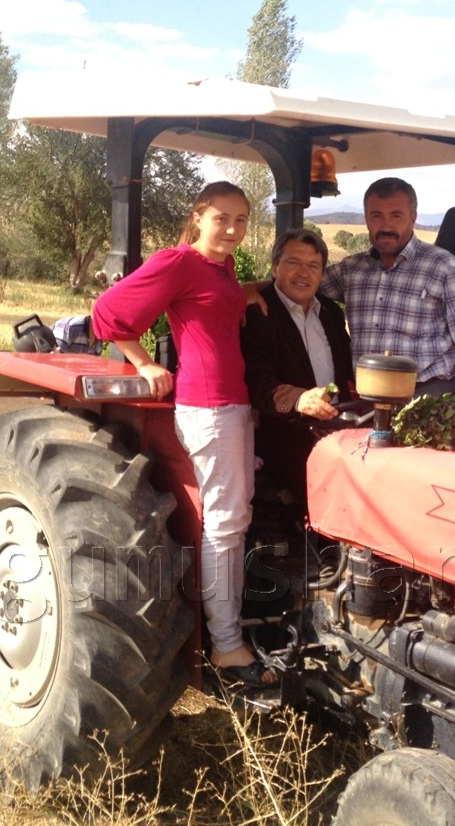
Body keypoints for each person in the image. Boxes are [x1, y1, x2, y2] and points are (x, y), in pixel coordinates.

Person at [91, 181, 274, 689]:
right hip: (208, 406)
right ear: (199, 216)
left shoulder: (222, 266)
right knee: (225, 522)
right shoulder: (177, 261)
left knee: (237, 519)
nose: (233, 229)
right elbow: (107, 313)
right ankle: (226, 644)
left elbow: (215, 304)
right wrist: (145, 363)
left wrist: (252, 291)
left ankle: (234, 632)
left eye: (241, 219)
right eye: (222, 219)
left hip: (235, 404)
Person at [316, 177, 455, 414]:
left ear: (413, 218)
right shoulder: (351, 270)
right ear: (366, 219)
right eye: (377, 216)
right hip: (368, 402)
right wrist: (252, 291)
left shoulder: (444, 267)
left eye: (396, 216)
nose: (386, 226)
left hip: (429, 401)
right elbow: (300, 285)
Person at [241, 228, 353, 503]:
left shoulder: (331, 313)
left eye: (313, 266)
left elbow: (345, 372)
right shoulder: (256, 314)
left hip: (341, 431)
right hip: (287, 438)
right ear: (275, 268)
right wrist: (298, 398)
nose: (304, 273)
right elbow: (255, 380)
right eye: (294, 263)